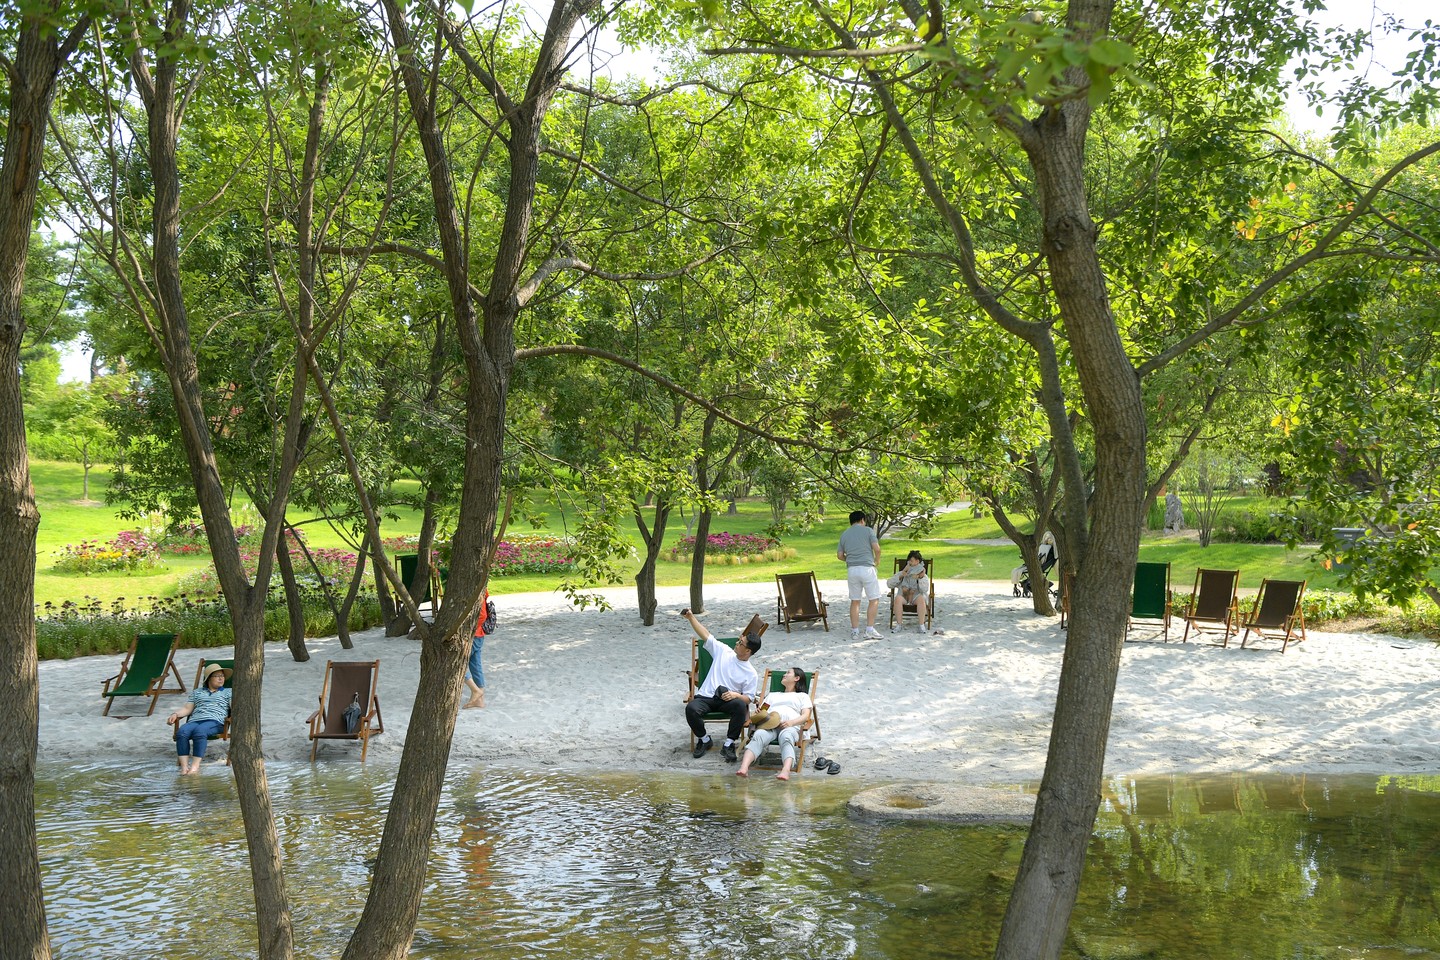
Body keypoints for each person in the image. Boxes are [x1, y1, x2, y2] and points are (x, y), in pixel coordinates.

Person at [681, 607, 761, 763]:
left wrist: (735, 695)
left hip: (727, 701)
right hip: (706, 697)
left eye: (741, 643)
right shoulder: (723, 651)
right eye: (739, 640)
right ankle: (704, 740)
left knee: (739, 705)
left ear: (748, 650)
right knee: (691, 708)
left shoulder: (751, 673)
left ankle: (729, 744)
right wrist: (691, 617)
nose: (737, 644)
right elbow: (705, 634)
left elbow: (749, 698)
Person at [736, 667, 812, 780]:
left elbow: (806, 715)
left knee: (786, 737)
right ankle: (744, 768)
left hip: (790, 726)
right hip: (769, 725)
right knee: (758, 735)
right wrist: (759, 712)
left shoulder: (802, 696)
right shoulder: (773, 695)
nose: (784, 675)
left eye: (788, 672)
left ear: (797, 678)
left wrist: (791, 722)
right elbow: (764, 710)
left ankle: (785, 771)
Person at [167, 661, 232, 775]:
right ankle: (184, 768)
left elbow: (234, 707)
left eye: (222, 676)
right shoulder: (197, 692)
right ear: (208, 679)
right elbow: (187, 709)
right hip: (195, 720)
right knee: (182, 732)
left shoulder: (228, 692)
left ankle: (195, 767)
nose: (221, 679)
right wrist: (175, 714)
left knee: (199, 731)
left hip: (215, 721)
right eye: (217, 676)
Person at [837, 509, 883, 640]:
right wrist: (877, 560)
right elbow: (877, 549)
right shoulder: (868, 530)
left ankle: (855, 631)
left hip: (852, 570)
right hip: (867, 568)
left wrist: (850, 559)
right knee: (873, 599)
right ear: (862, 520)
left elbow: (840, 555)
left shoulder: (844, 534)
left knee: (855, 601)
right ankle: (869, 629)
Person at [886, 549, 931, 632]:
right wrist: (900, 577)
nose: (910, 563)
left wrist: (920, 578)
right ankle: (899, 625)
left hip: (915, 596)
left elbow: (924, 589)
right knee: (898, 599)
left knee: (921, 599)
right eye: (909, 561)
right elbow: (889, 584)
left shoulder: (922, 575)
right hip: (903, 596)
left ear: (917, 562)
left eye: (912, 561)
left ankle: (921, 625)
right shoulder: (902, 573)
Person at [463, 590, 490, 709]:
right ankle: (480, 700)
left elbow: (482, 615)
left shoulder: (477, 590)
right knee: (476, 666)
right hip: (478, 635)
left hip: (473, 635)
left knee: (458, 664)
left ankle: (475, 690)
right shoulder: (480, 589)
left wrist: (468, 629)